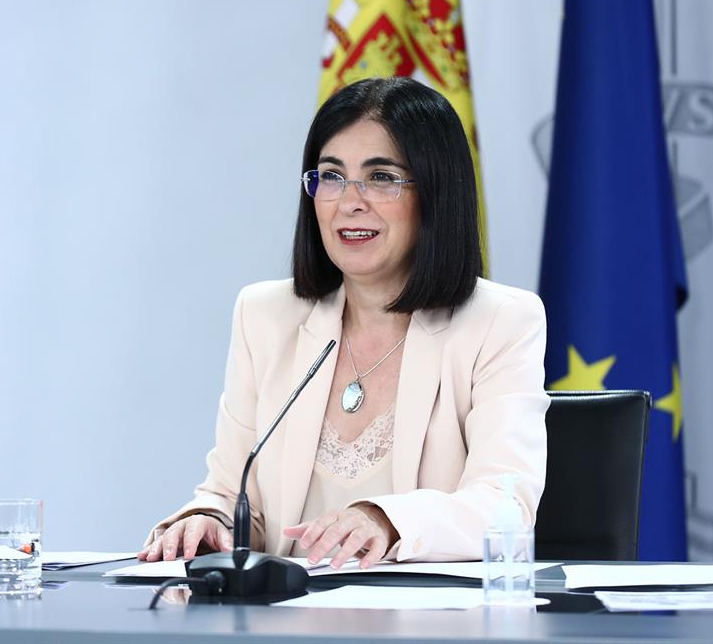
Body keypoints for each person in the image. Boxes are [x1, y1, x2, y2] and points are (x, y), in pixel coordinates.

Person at [138, 77, 549, 570]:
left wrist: (384, 519)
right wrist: (209, 520)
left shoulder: (498, 322)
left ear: (437, 193)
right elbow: (232, 492)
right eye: (331, 176)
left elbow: (505, 507)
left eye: (381, 177)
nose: (349, 201)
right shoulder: (264, 315)